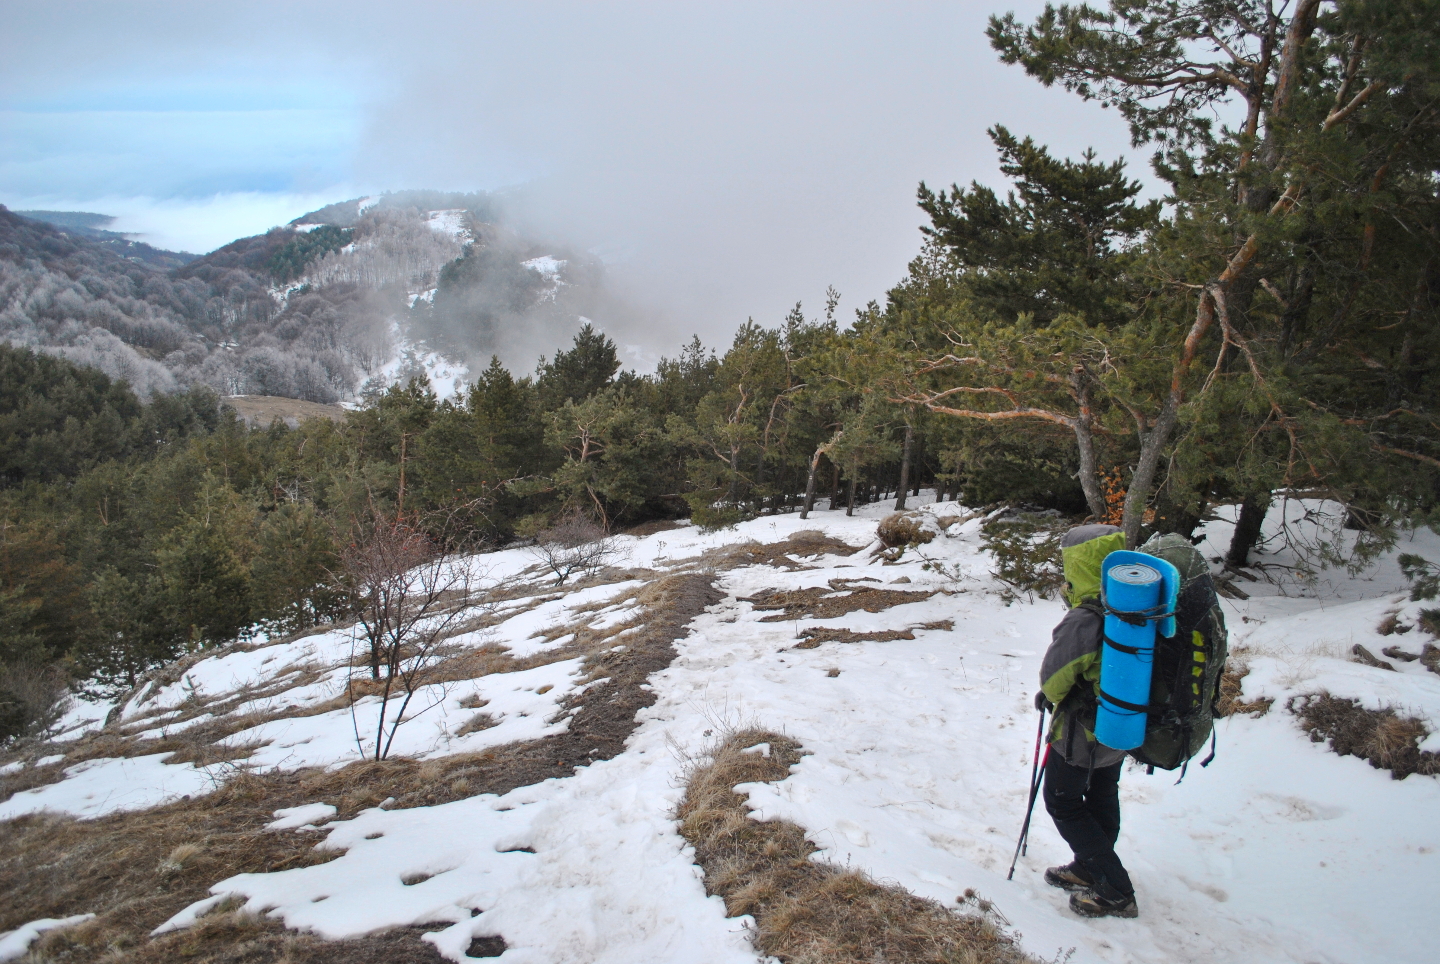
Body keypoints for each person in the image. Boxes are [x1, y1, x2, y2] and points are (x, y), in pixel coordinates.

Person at [1034, 523, 1139, 919]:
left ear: (1078, 564)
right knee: (1101, 793)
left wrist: (1049, 694)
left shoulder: (1087, 617)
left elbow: (1056, 679)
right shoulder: (1135, 606)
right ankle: (1087, 867)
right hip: (1122, 725)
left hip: (1084, 730)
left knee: (1062, 801)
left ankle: (1115, 889)